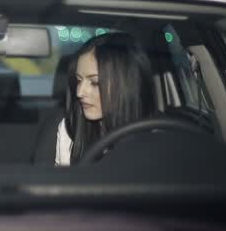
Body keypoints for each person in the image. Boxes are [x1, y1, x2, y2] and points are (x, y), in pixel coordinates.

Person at [49, 33, 154, 165]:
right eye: (78, 80)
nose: (79, 92)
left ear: (126, 86)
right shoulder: (69, 131)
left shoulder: (161, 138)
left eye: (95, 83)